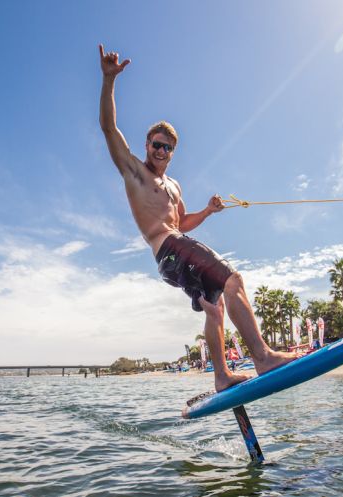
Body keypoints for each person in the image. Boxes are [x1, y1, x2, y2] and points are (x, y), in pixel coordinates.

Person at [98, 44, 297, 392]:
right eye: (156, 145)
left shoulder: (173, 185)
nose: (161, 151)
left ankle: (221, 377)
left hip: (173, 253)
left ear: (173, 152)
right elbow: (109, 128)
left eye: (167, 148)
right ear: (146, 145)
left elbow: (182, 222)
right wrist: (109, 81)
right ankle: (263, 358)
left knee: (215, 308)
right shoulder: (135, 174)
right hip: (169, 248)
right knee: (233, 280)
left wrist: (207, 211)